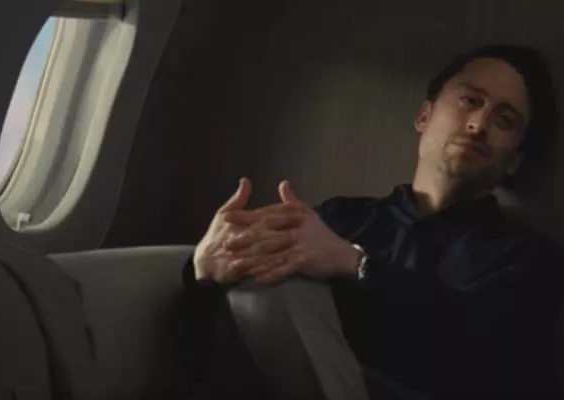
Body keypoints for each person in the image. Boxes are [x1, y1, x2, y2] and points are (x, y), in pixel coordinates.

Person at [180, 45, 564, 399]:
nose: (478, 124)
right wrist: (202, 271)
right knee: (263, 276)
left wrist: (356, 265)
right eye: (470, 100)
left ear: (515, 160)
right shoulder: (337, 218)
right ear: (424, 116)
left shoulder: (528, 258)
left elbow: (485, 357)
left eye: (504, 120)